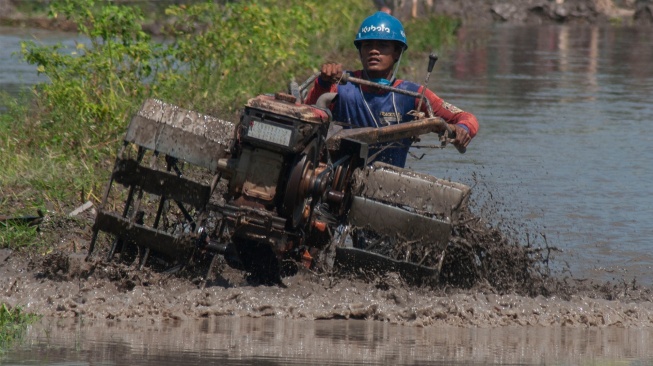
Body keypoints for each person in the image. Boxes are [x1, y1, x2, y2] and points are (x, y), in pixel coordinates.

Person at [305, 12, 479, 168]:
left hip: (385, 187)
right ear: (360, 51)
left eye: (382, 45)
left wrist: (463, 128)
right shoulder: (340, 85)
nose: (374, 51)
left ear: (397, 52)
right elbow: (308, 116)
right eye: (367, 45)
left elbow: (467, 118)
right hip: (333, 178)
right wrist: (323, 82)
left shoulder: (414, 96)